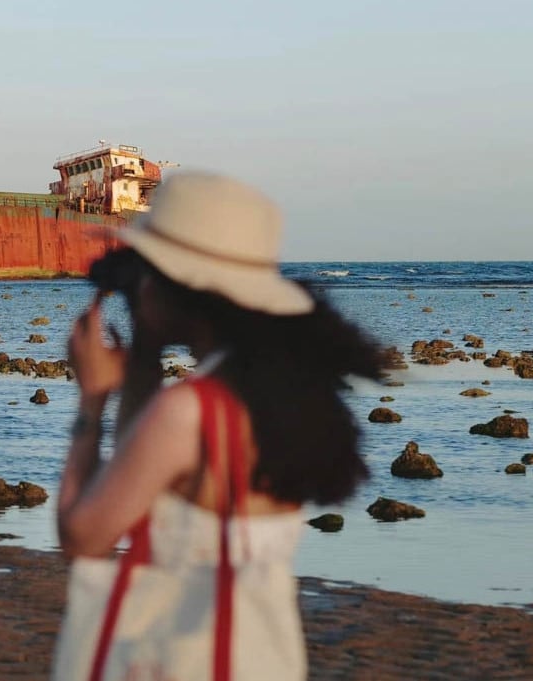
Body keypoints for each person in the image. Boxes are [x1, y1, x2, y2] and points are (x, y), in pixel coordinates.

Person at [55, 172, 382, 680]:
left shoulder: (188, 411)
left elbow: (83, 536)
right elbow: (143, 473)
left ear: (177, 287)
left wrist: (93, 399)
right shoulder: (281, 398)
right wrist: (143, 350)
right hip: (264, 659)